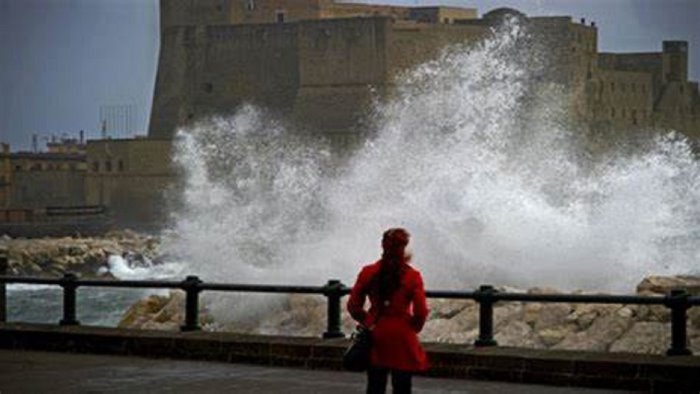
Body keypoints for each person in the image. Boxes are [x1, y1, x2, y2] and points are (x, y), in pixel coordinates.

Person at [347, 228, 429, 394]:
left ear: (383, 246)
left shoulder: (368, 272)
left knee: (375, 385)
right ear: (403, 247)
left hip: (376, 332)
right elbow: (421, 311)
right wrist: (413, 327)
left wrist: (369, 320)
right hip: (402, 334)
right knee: (402, 386)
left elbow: (353, 305)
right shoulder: (412, 276)